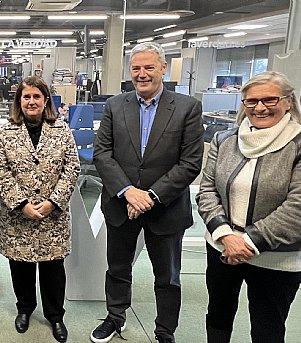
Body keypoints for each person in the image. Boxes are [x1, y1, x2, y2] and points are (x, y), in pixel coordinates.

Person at [91, 42, 204, 343]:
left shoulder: (186, 107)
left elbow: (191, 163)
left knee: (167, 277)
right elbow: (102, 154)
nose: (142, 74)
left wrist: (150, 196)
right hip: (121, 204)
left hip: (166, 209)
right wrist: (129, 192)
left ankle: (165, 331)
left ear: (163, 68)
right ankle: (116, 317)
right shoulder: (115, 105)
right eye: (136, 68)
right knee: (117, 268)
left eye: (149, 67)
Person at [196, 71, 301, 343]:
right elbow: (207, 191)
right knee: (218, 315)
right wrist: (226, 236)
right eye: (251, 101)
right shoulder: (225, 140)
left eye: (270, 99)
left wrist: (247, 242)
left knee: (267, 328)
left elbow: (300, 210)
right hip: (221, 246)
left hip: (277, 257)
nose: (260, 107)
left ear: (288, 102)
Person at [0, 76, 80, 342]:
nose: (31, 101)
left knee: (53, 268)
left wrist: (53, 201)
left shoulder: (61, 130)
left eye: (36, 97)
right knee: (21, 267)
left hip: (53, 214)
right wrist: (21, 204)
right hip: (18, 216)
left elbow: (72, 167)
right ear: (19, 100)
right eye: (26, 96)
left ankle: (55, 316)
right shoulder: (6, 132)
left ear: (45, 101)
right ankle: (25, 309)